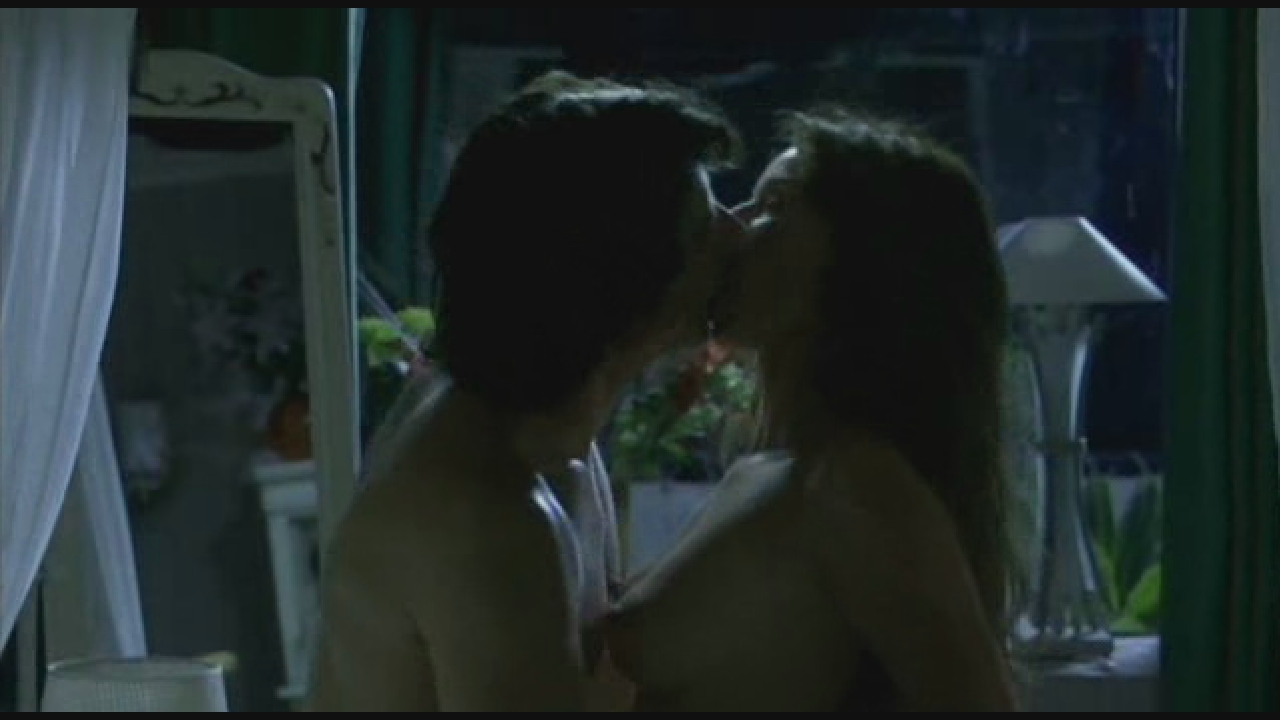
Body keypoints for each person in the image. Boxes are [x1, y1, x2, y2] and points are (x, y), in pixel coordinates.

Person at [305, 71, 743, 711]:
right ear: (621, 287)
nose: (737, 233)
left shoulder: (550, 435)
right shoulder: (483, 516)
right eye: (703, 230)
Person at [609, 108, 1020, 711]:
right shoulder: (775, 468)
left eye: (772, 204)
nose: (733, 227)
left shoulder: (856, 483)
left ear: (867, 258)